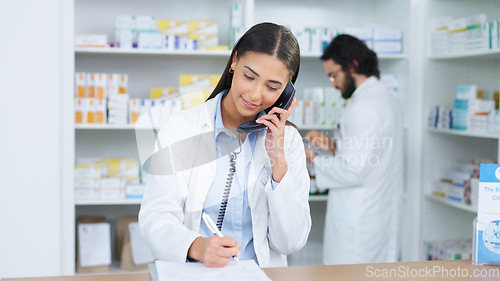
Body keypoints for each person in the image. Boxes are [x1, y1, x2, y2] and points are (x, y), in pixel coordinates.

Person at [139, 22, 311, 268]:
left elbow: (291, 243)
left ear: (286, 93)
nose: (254, 94)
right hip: (195, 272)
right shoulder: (181, 128)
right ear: (234, 61)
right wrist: (196, 246)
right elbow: (155, 218)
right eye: (249, 77)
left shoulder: (288, 143)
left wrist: (278, 163)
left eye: (272, 87)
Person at [304, 34, 404, 265]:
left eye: (333, 75)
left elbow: (353, 170)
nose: (332, 83)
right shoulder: (384, 97)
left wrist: (311, 157)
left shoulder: (364, 107)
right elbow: (371, 156)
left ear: (353, 66)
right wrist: (334, 147)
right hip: (376, 214)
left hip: (360, 225)